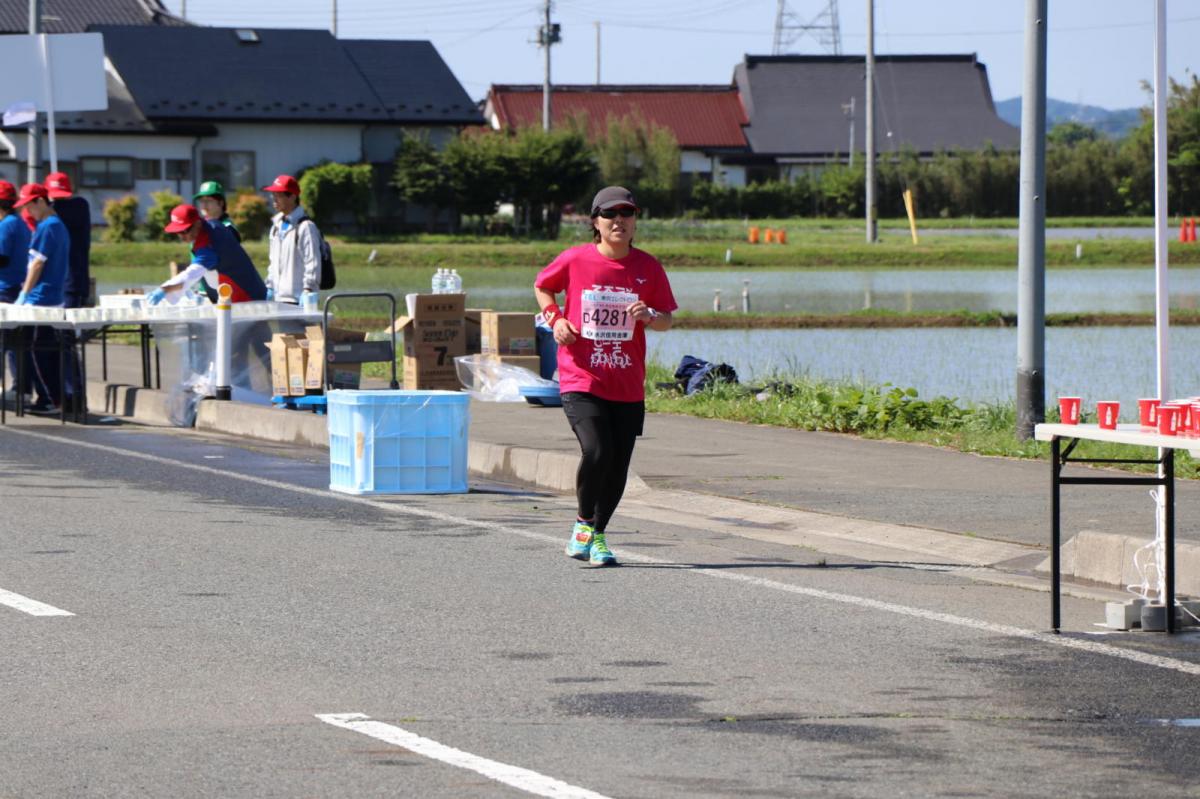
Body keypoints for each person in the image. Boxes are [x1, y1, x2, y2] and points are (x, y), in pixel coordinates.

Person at [533, 186, 677, 566]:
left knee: (617, 464)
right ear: (595, 222)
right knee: (597, 450)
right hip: (581, 376)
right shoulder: (575, 259)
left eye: (626, 213)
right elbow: (543, 286)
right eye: (609, 214)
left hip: (627, 383)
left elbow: (666, 319)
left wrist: (650, 316)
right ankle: (583, 523)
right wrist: (556, 320)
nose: (619, 221)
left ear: (635, 221)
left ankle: (598, 536)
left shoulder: (648, 268)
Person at [13, 182, 71, 410]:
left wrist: (24, 293)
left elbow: (37, 263)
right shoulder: (58, 225)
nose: (27, 211)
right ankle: (53, 398)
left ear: (41, 201)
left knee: (36, 351)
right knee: (45, 349)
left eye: (29, 205)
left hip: (40, 298)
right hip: (52, 296)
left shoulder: (48, 226)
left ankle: (49, 399)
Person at [147, 204, 266, 305]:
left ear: (198, 223)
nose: (182, 236)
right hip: (244, 295)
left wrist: (164, 289)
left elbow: (190, 275)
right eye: (178, 232)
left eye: (185, 230)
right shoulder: (213, 225)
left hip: (246, 299)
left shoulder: (208, 245)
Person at [263, 174, 320, 306]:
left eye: (279, 195)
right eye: (273, 194)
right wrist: (270, 286)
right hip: (278, 298)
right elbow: (273, 262)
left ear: (293, 196)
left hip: (298, 299)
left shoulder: (306, 227)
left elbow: (312, 263)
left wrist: (308, 290)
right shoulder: (276, 226)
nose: (274, 198)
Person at [0, 180, 31, 401]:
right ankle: (22, 389)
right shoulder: (20, 223)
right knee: (15, 342)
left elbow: (2, 258)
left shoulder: (6, 225)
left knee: (9, 342)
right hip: (16, 288)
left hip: (4, 288)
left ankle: (20, 389)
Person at [45, 171, 92, 309]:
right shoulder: (81, 206)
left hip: (67, 282)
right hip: (74, 281)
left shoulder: (71, 208)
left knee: (64, 321)